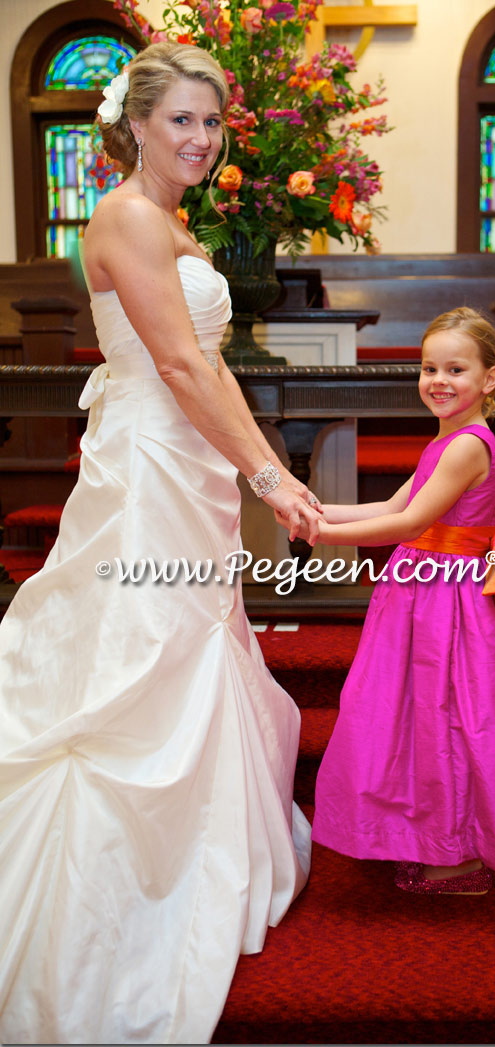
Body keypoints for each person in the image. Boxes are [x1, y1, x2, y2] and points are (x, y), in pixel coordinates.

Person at [0, 43, 320, 1045]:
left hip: (192, 470)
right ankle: (117, 899)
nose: (199, 137)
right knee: (138, 658)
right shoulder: (125, 216)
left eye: (210, 122)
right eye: (179, 119)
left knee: (193, 640)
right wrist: (271, 473)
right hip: (146, 469)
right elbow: (178, 367)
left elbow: (211, 373)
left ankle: (203, 848)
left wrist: (260, 472)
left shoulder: (169, 220)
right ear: (133, 124)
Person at [301, 307, 495, 894]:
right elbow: (391, 505)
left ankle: (460, 857)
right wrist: (314, 509)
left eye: (455, 369)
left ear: (490, 379)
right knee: (415, 713)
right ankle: (431, 836)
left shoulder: (469, 444)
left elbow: (408, 523)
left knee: (451, 716)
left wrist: (320, 534)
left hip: (448, 602)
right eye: (428, 367)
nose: (438, 380)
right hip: (423, 590)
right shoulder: (446, 437)